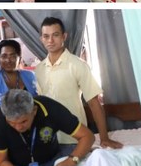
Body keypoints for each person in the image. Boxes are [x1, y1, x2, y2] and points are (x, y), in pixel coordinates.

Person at [35, 16, 123, 149]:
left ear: (64, 36)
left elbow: (94, 104)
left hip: (75, 137)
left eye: (55, 35)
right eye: (46, 36)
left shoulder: (77, 65)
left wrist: (104, 138)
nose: (50, 40)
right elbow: (42, 105)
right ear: (41, 39)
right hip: (49, 139)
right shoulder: (39, 69)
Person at [0, 89, 95, 166]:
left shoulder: (50, 108)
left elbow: (87, 136)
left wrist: (71, 160)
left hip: (52, 163)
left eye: (23, 121)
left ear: (34, 111)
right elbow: (2, 161)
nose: (18, 127)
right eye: (11, 123)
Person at [0, 39, 38, 112]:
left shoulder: (31, 76)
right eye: (4, 56)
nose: (8, 60)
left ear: (20, 58)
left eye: (12, 56)